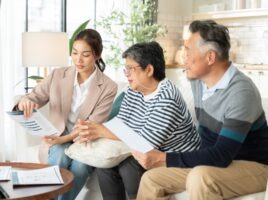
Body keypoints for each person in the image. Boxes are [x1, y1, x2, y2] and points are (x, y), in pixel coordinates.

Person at [133, 20, 268, 200]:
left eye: (188, 50)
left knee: (200, 178)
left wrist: (163, 158)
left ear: (210, 57)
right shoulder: (198, 81)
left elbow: (222, 154)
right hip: (211, 163)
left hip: (254, 166)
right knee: (151, 179)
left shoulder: (241, 92)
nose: (183, 58)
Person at [74, 41, 200, 200]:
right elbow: (120, 124)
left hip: (176, 159)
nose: (126, 74)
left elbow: (145, 143)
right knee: (104, 165)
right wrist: (95, 130)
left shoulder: (167, 98)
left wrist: (101, 130)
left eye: (130, 69)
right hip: (145, 151)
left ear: (149, 70)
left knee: (130, 166)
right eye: (125, 68)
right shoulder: (133, 90)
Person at [16, 29, 117, 200]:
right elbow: (35, 96)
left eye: (85, 54)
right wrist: (25, 102)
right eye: (75, 53)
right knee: (60, 154)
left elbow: (91, 125)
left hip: (85, 141)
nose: (78, 59)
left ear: (97, 55)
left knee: (80, 167)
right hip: (56, 138)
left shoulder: (108, 87)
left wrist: (62, 140)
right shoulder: (57, 75)